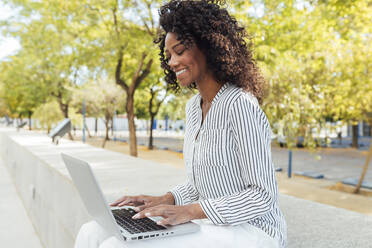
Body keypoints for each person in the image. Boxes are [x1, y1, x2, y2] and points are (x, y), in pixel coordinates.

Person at [75, 0, 287, 247]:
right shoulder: (194, 109)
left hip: (253, 230)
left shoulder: (240, 104)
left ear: (208, 46)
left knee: (117, 245)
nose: (172, 62)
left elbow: (263, 196)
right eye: (169, 55)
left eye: (180, 50)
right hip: (211, 224)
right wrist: (165, 199)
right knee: (92, 232)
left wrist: (190, 212)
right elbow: (205, 184)